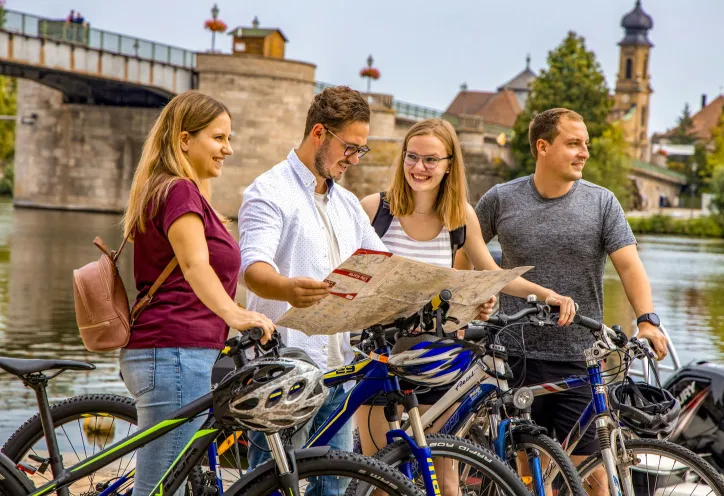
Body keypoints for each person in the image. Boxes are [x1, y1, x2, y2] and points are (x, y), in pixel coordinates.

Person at [357, 118, 578, 494]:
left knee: (446, 483)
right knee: (384, 482)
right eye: (412, 157)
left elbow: (494, 273)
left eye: (430, 160)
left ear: (448, 164)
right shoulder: (374, 210)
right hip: (384, 358)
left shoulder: (459, 217)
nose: (419, 167)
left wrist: (546, 294)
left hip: (442, 360)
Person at [466, 107, 668, 492]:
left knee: (592, 478)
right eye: (574, 143)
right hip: (516, 356)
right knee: (529, 472)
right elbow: (465, 255)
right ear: (542, 146)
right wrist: (473, 298)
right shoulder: (501, 199)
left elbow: (629, 266)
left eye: (586, 144)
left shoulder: (601, 202)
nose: (584, 152)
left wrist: (647, 319)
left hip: (582, 357)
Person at [119, 90, 275, 496]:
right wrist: (236, 315)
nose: (229, 148)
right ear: (184, 139)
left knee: (172, 482)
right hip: (174, 353)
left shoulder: (176, 189)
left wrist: (236, 312)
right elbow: (193, 267)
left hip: (176, 352)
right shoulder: (179, 191)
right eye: (219, 138)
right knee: (158, 489)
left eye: (230, 137)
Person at [238, 86, 387, 496]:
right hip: (283, 373)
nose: (354, 159)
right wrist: (286, 287)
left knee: (332, 491)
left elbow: (386, 267)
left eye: (362, 150)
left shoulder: (348, 204)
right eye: (350, 147)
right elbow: (252, 268)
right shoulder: (269, 190)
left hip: (338, 373)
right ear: (319, 133)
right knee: (269, 488)